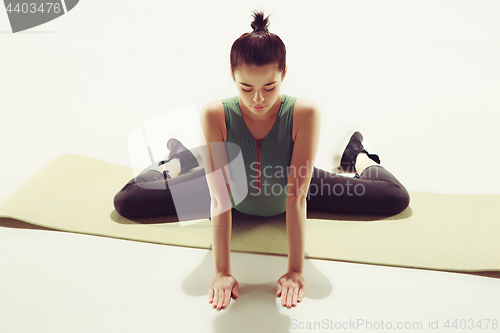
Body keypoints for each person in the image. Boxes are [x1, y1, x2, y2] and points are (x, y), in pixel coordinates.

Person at [113, 10, 410, 312]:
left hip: (290, 186)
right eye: (246, 88)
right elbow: (219, 198)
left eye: (269, 87)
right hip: (229, 191)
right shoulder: (215, 114)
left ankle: (355, 155)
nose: (258, 99)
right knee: (129, 201)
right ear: (233, 76)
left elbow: (296, 195)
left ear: (283, 74)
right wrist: (221, 272)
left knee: (393, 197)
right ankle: (178, 160)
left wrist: (295, 271)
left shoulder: (304, 113)